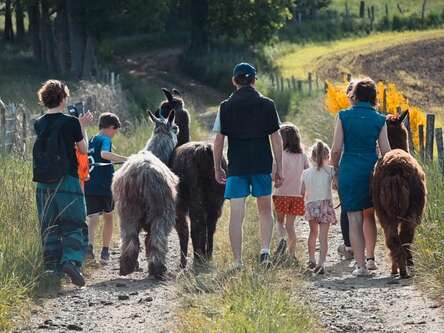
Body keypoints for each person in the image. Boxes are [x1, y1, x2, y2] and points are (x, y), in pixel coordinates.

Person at [213, 62, 283, 268]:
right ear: (254, 80)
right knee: (264, 210)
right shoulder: (268, 104)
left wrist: (217, 166)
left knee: (236, 213)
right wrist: (279, 166)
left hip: (237, 165)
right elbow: (276, 138)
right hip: (262, 163)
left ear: (234, 81)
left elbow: (218, 141)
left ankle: (237, 260)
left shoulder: (225, 107)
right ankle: (265, 250)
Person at [33, 80, 93, 287]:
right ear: (64, 97)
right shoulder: (71, 122)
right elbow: (83, 150)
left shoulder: (38, 122)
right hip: (66, 179)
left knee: (49, 225)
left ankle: (51, 268)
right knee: (73, 222)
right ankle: (71, 262)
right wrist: (83, 127)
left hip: (42, 182)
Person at [331, 78, 391, 277]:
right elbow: (386, 151)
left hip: (349, 169)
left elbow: (336, 149)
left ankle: (360, 267)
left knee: (354, 218)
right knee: (370, 216)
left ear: (354, 95)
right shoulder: (379, 119)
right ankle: (371, 259)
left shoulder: (343, 116)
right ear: (373, 96)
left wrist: (335, 170)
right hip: (371, 171)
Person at [84, 113, 127, 263]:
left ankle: (89, 247)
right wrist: (126, 160)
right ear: (110, 127)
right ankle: (105, 252)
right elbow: (105, 154)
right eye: (115, 130)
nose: (115, 134)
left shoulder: (90, 140)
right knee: (109, 217)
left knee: (93, 218)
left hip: (89, 185)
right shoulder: (105, 139)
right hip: (105, 186)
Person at [272, 123, 308, 258]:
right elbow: (307, 174)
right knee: (291, 225)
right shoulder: (302, 156)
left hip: (281, 194)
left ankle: (281, 239)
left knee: (280, 222)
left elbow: (273, 175)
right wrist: (304, 190)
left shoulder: (279, 155)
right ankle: (292, 254)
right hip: (297, 195)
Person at [301, 141, 337, 274]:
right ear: (328, 156)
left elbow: (301, 192)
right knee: (323, 236)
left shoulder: (305, 173)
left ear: (312, 157)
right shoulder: (331, 171)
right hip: (325, 206)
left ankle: (311, 259)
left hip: (311, 205)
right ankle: (322, 263)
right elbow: (335, 186)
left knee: (313, 233)